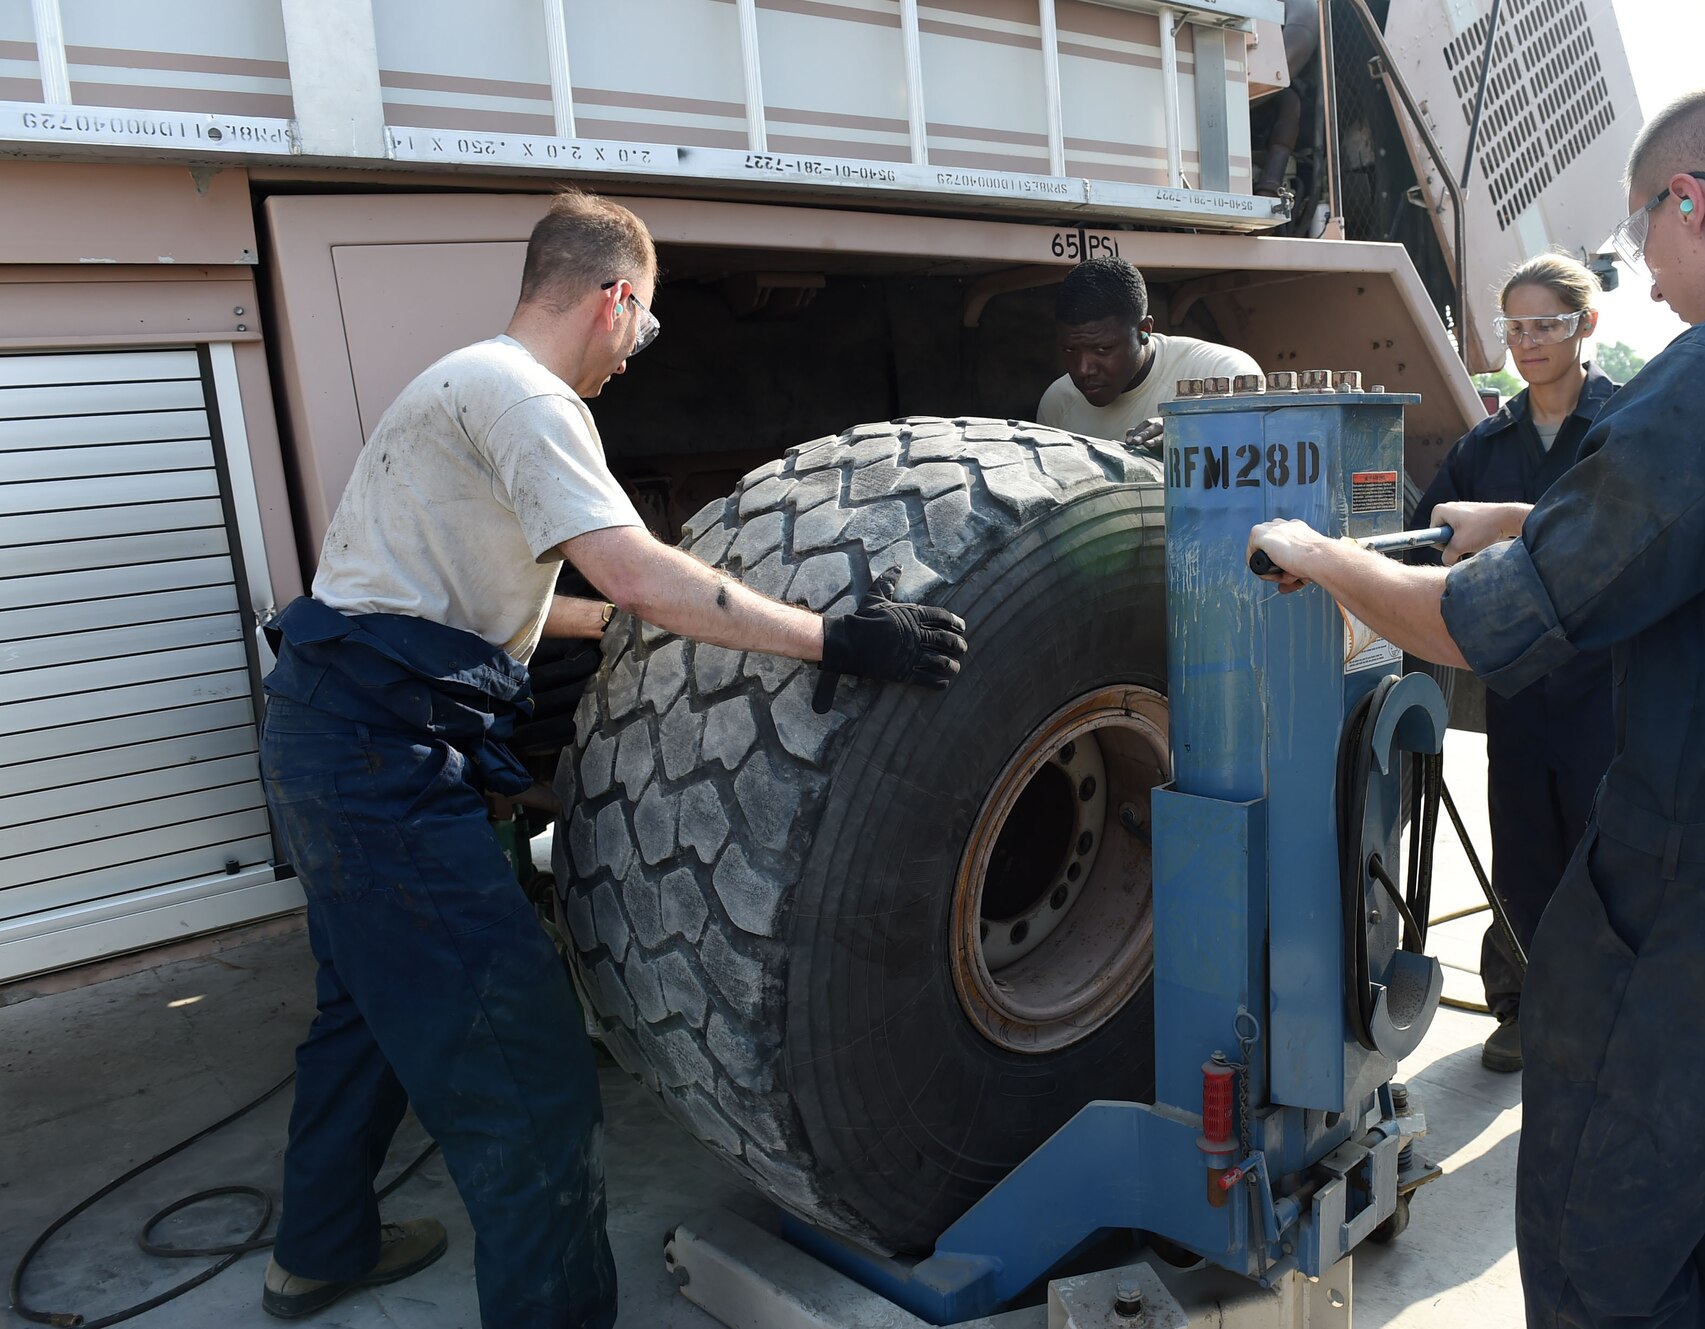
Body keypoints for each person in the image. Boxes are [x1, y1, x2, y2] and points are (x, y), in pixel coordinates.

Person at [1245, 85, 1705, 1326]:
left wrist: (1319, 557)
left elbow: (1480, 624)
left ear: (1687, 201)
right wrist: (1533, 520)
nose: (1645, 283)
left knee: (1607, 1263)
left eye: (1641, 241)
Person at [256, 190, 967, 1326]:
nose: (635, 353)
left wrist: (677, 622)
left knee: (364, 1015)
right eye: (641, 329)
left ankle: (318, 1252)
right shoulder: (531, 399)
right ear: (616, 297)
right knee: (529, 1078)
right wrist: (833, 637)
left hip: (327, 734)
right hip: (386, 766)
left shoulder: (464, 380)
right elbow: (631, 572)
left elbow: (521, 612)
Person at [1412, 251, 1620, 1075]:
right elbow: (1426, 535)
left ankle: (1604, 1015)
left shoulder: (1624, 427)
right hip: (1519, 684)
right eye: (1516, 327)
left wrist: (1502, 524)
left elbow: (1616, 536)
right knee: (1525, 845)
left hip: (1606, 681)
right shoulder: (1486, 443)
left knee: (1602, 851)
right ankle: (1522, 1008)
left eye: (1547, 325)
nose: (1529, 343)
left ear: (1585, 326)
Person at [1036, 256, 1258, 449]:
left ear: (1144, 331)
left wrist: (1194, 439)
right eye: (1070, 350)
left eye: (1103, 349)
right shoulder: (1058, 404)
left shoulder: (1223, 373)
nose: (1084, 369)